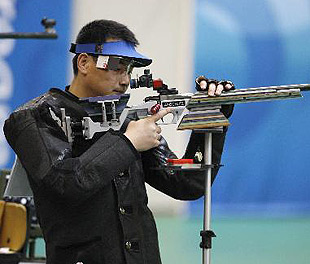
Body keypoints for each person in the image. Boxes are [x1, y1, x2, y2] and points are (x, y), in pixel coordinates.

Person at [3, 20, 234, 264]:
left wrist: (210, 117)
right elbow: (65, 184)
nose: (125, 80)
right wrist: (127, 142)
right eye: (117, 67)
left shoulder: (124, 119)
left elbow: (186, 184)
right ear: (84, 63)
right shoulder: (33, 118)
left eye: (129, 70)